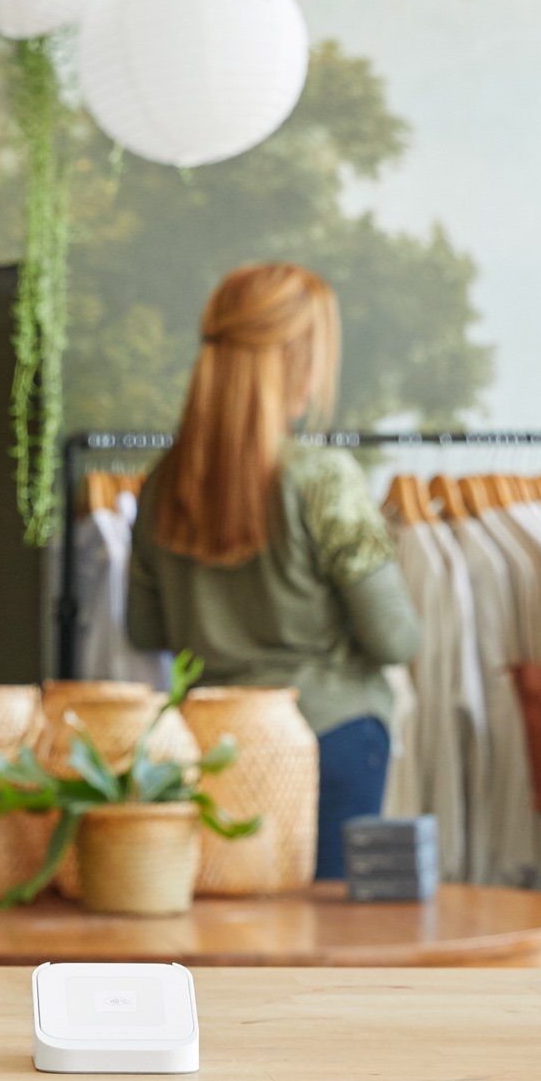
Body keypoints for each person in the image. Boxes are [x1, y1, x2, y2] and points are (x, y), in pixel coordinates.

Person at [120, 264, 419, 881]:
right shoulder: (323, 480)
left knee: (230, 925)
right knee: (324, 931)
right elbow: (395, 638)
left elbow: (145, 629)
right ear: (294, 360)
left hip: (212, 746)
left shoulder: (162, 486)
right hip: (329, 740)